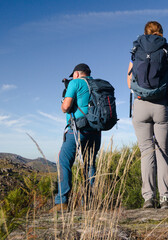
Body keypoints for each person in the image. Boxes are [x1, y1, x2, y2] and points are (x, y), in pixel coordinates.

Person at [127, 21, 168, 209]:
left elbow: (129, 83)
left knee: (146, 153)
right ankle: (165, 198)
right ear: (161, 32)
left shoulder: (136, 51)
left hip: (141, 106)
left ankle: (148, 199)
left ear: (145, 33)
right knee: (162, 152)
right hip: (162, 106)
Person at [50, 63, 101, 212]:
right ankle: (88, 203)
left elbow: (66, 107)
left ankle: (62, 202)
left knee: (64, 161)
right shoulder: (97, 84)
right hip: (96, 130)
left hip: (77, 129)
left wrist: (64, 100)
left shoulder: (75, 82)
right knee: (89, 164)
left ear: (77, 74)